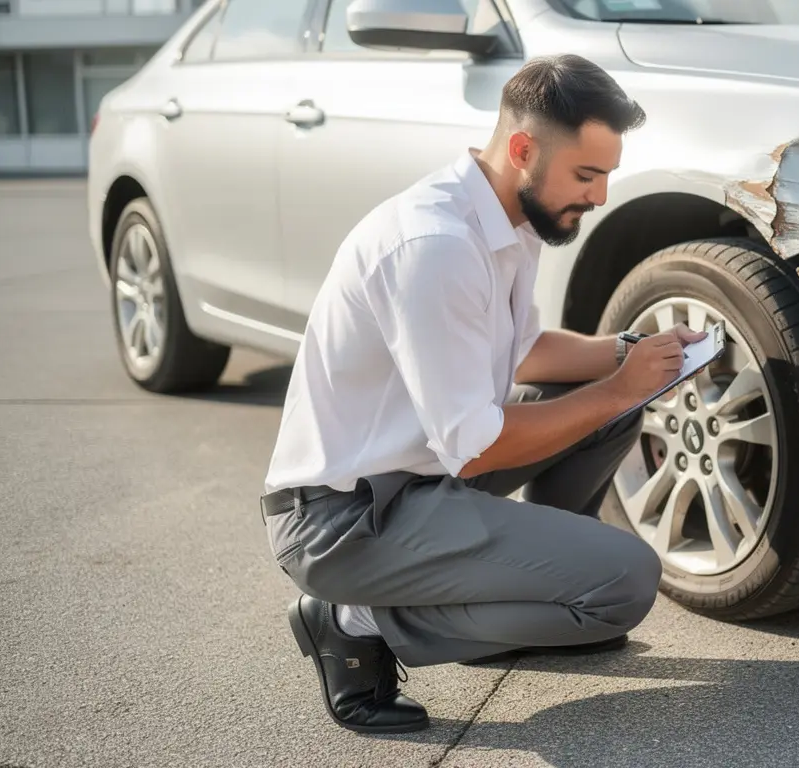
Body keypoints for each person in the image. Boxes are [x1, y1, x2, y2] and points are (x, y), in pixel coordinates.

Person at [259, 53, 705, 735]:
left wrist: (632, 356)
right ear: (524, 149)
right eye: (586, 175)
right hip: (345, 521)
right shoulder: (434, 245)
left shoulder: (506, 219)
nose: (601, 196)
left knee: (608, 402)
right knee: (626, 583)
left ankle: (530, 592)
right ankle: (352, 619)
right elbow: (476, 450)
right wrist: (618, 388)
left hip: (415, 476)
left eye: (607, 174)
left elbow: (524, 351)